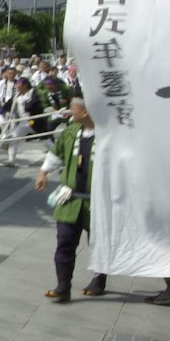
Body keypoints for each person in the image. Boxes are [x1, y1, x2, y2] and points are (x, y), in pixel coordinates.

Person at [35, 95, 104, 304]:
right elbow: (56, 154)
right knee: (64, 243)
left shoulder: (109, 135)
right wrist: (43, 173)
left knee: (99, 245)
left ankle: (100, 279)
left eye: (72, 109)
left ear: (85, 112)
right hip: (70, 200)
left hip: (98, 203)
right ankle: (63, 286)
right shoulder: (71, 131)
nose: (69, 112)